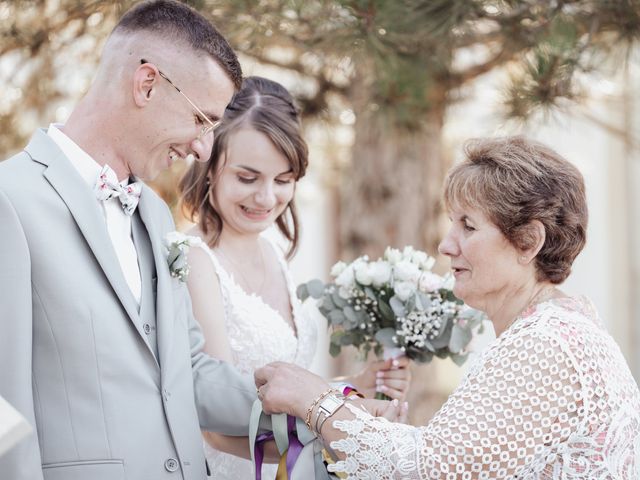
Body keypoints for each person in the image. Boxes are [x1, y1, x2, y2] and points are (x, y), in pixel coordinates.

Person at [254, 136, 640, 479]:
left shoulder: (545, 345)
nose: (446, 245)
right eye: (452, 223)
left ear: (528, 242)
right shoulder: (564, 329)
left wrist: (315, 401)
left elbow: (431, 470)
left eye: (468, 226)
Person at [0, 2, 270, 479]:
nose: (203, 148)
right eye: (202, 120)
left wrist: (321, 406)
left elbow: (187, 373)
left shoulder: (156, 215)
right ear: (147, 83)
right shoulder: (10, 201)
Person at [177, 75, 411, 478]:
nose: (267, 198)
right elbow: (214, 427)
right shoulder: (196, 261)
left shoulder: (272, 251)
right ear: (210, 166)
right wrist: (338, 429)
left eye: (283, 181)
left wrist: (353, 385)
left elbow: (283, 385)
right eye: (247, 178)